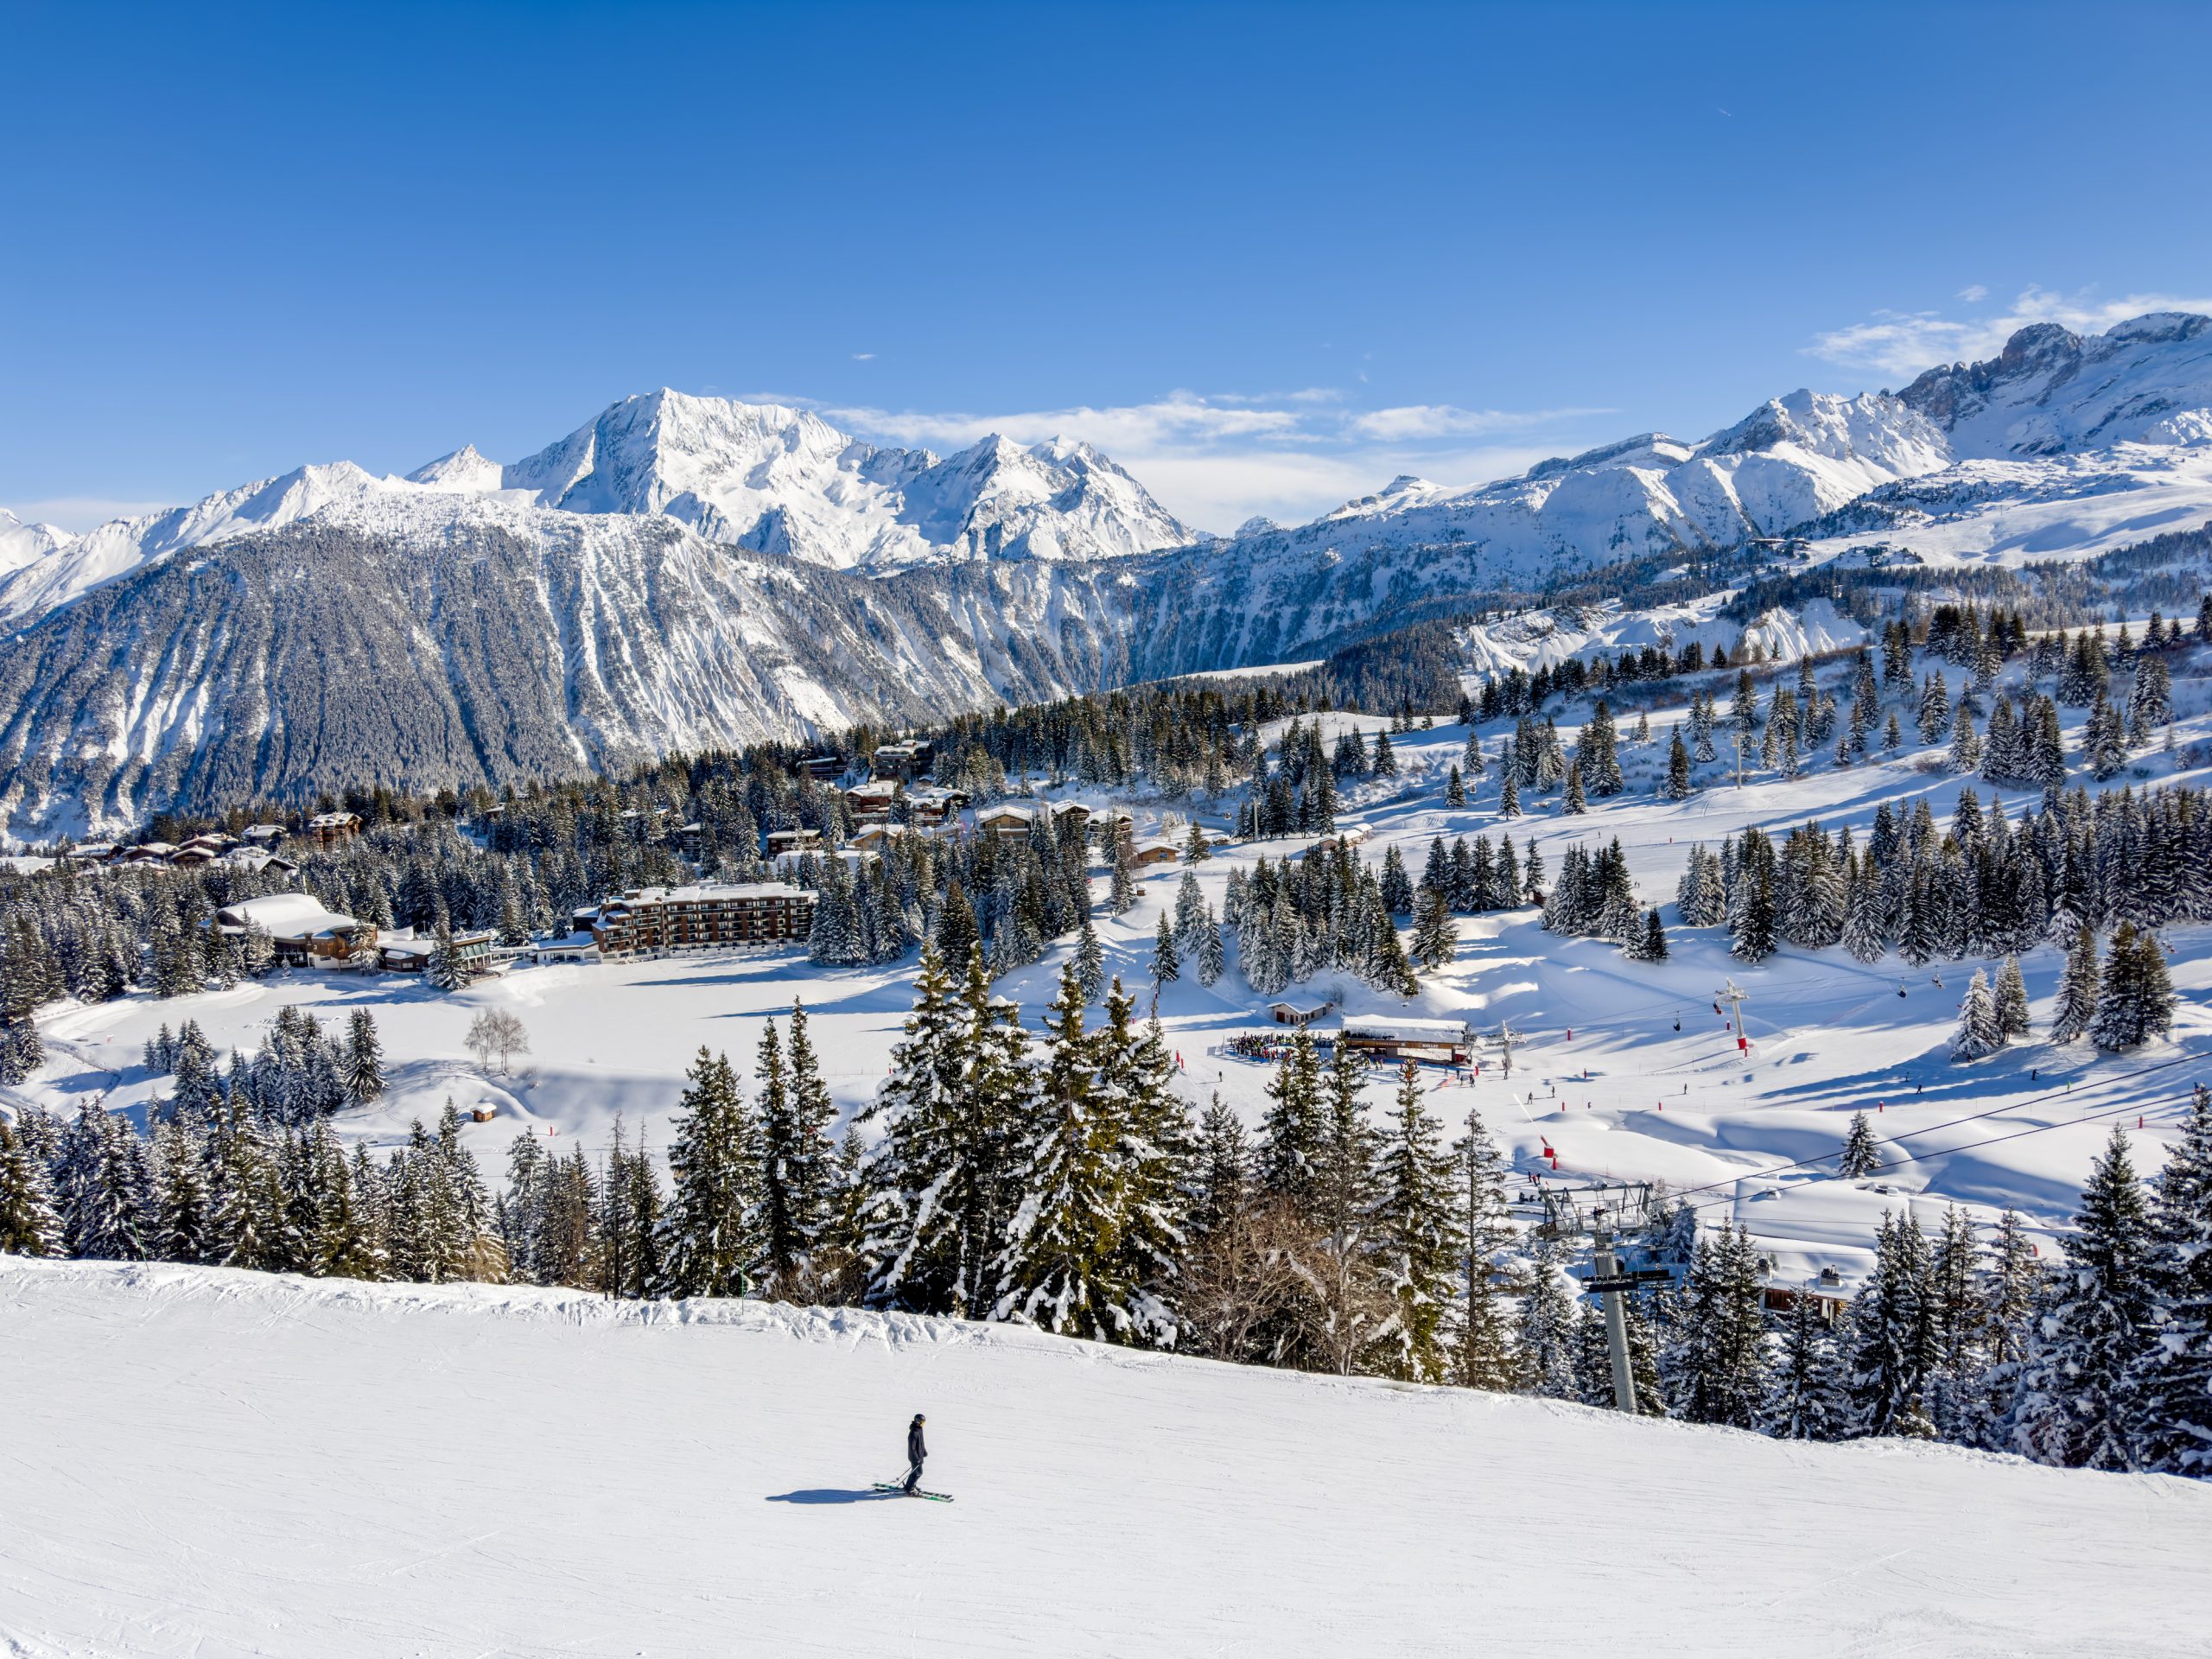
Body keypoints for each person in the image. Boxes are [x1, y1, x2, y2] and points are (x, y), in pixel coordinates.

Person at [902, 1413, 928, 1494]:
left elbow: (921, 1443)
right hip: (914, 1457)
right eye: (923, 1422)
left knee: (915, 1472)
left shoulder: (919, 1429)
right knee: (918, 1473)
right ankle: (909, 1489)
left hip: (919, 1456)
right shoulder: (913, 1433)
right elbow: (912, 1448)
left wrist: (924, 1451)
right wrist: (916, 1459)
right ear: (918, 1422)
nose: (924, 1424)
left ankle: (911, 1485)